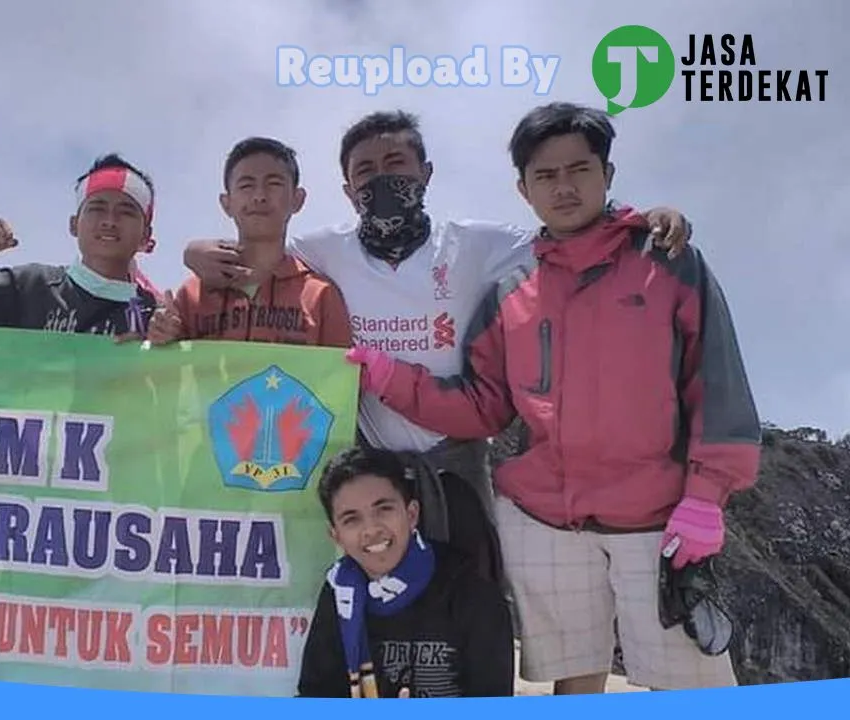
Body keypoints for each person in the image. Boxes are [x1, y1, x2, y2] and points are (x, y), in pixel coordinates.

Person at [345, 102, 761, 693]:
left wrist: (706, 498)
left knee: (691, 684)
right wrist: (389, 378)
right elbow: (483, 406)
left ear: (607, 175)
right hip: (544, 520)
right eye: (545, 175)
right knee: (572, 684)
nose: (563, 187)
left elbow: (715, 381)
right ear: (523, 187)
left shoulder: (667, 262)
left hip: (656, 518)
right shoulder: (513, 290)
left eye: (579, 169)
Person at [183, 110, 693, 519]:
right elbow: (262, 244)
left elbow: (570, 235)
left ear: (426, 173)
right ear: (346, 190)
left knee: (473, 602)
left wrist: (637, 219)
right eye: (365, 171)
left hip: (460, 456)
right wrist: (196, 251)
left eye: (396, 164)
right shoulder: (324, 251)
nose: (382, 179)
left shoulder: (478, 244)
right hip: (371, 460)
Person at [296, 446, 513, 699]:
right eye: (351, 519)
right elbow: (314, 697)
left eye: (383, 509)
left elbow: (495, 703)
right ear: (336, 537)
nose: (371, 529)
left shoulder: (471, 589)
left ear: (411, 514)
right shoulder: (339, 592)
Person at [0, 153, 158, 336]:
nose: (109, 221)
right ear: (74, 225)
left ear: (145, 235)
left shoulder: (157, 316)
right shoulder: (31, 287)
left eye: (125, 212)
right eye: (97, 208)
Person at [147, 137, 351, 348]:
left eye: (274, 184)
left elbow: (341, 376)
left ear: (297, 200)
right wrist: (162, 335)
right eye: (246, 185)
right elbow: (164, 371)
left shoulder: (321, 295)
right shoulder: (191, 295)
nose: (259, 196)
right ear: (227, 204)